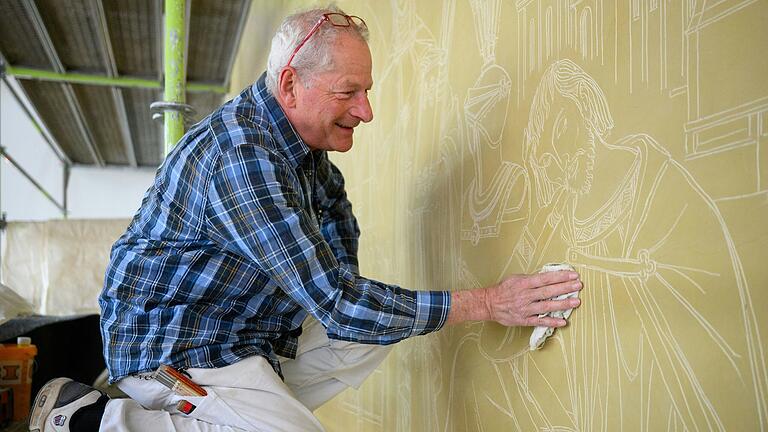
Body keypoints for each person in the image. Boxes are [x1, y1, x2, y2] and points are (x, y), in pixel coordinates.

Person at [28, 6, 582, 432]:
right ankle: (90, 419)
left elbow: (344, 287)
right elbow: (339, 300)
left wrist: (354, 308)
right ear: (291, 84)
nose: (367, 110)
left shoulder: (311, 161)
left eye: (367, 91)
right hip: (176, 343)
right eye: (349, 92)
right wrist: (491, 303)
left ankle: (244, 411)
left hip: (245, 336)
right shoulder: (241, 157)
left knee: (373, 330)